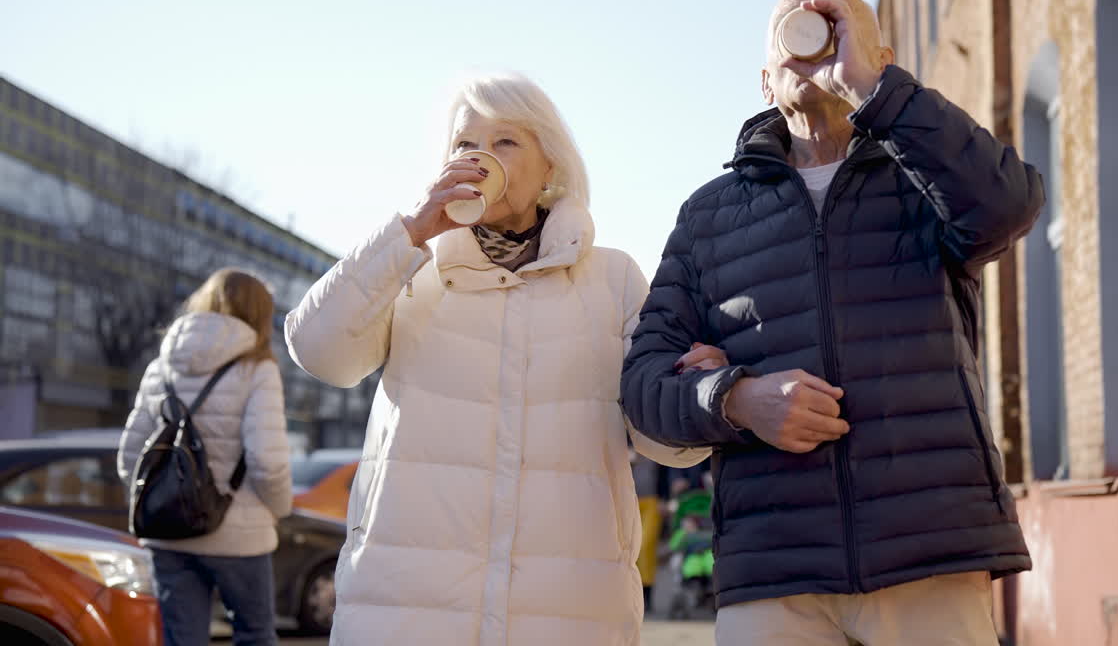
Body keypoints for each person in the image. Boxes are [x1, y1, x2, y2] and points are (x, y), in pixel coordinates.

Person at [621, 0, 1044, 645]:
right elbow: (643, 384)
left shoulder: (926, 180)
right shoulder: (708, 217)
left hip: (928, 554)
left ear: (880, 58)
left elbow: (1009, 205)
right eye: (790, 30)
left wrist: (876, 93)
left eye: (835, 26)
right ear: (765, 81)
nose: (810, 37)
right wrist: (736, 400)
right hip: (773, 570)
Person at [284, 72, 708, 645]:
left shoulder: (612, 279)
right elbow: (319, 354)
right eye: (465, 144)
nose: (481, 156)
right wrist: (409, 231)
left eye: (505, 141)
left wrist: (695, 390)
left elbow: (666, 444)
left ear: (550, 166)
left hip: (568, 613)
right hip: (405, 608)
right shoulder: (409, 270)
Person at [118, 269, 293, 646]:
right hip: (239, 534)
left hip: (167, 535)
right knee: (254, 635)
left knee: (182, 640)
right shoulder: (258, 369)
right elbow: (267, 458)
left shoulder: (160, 368)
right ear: (260, 314)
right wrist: (277, 508)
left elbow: (130, 455)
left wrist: (158, 502)